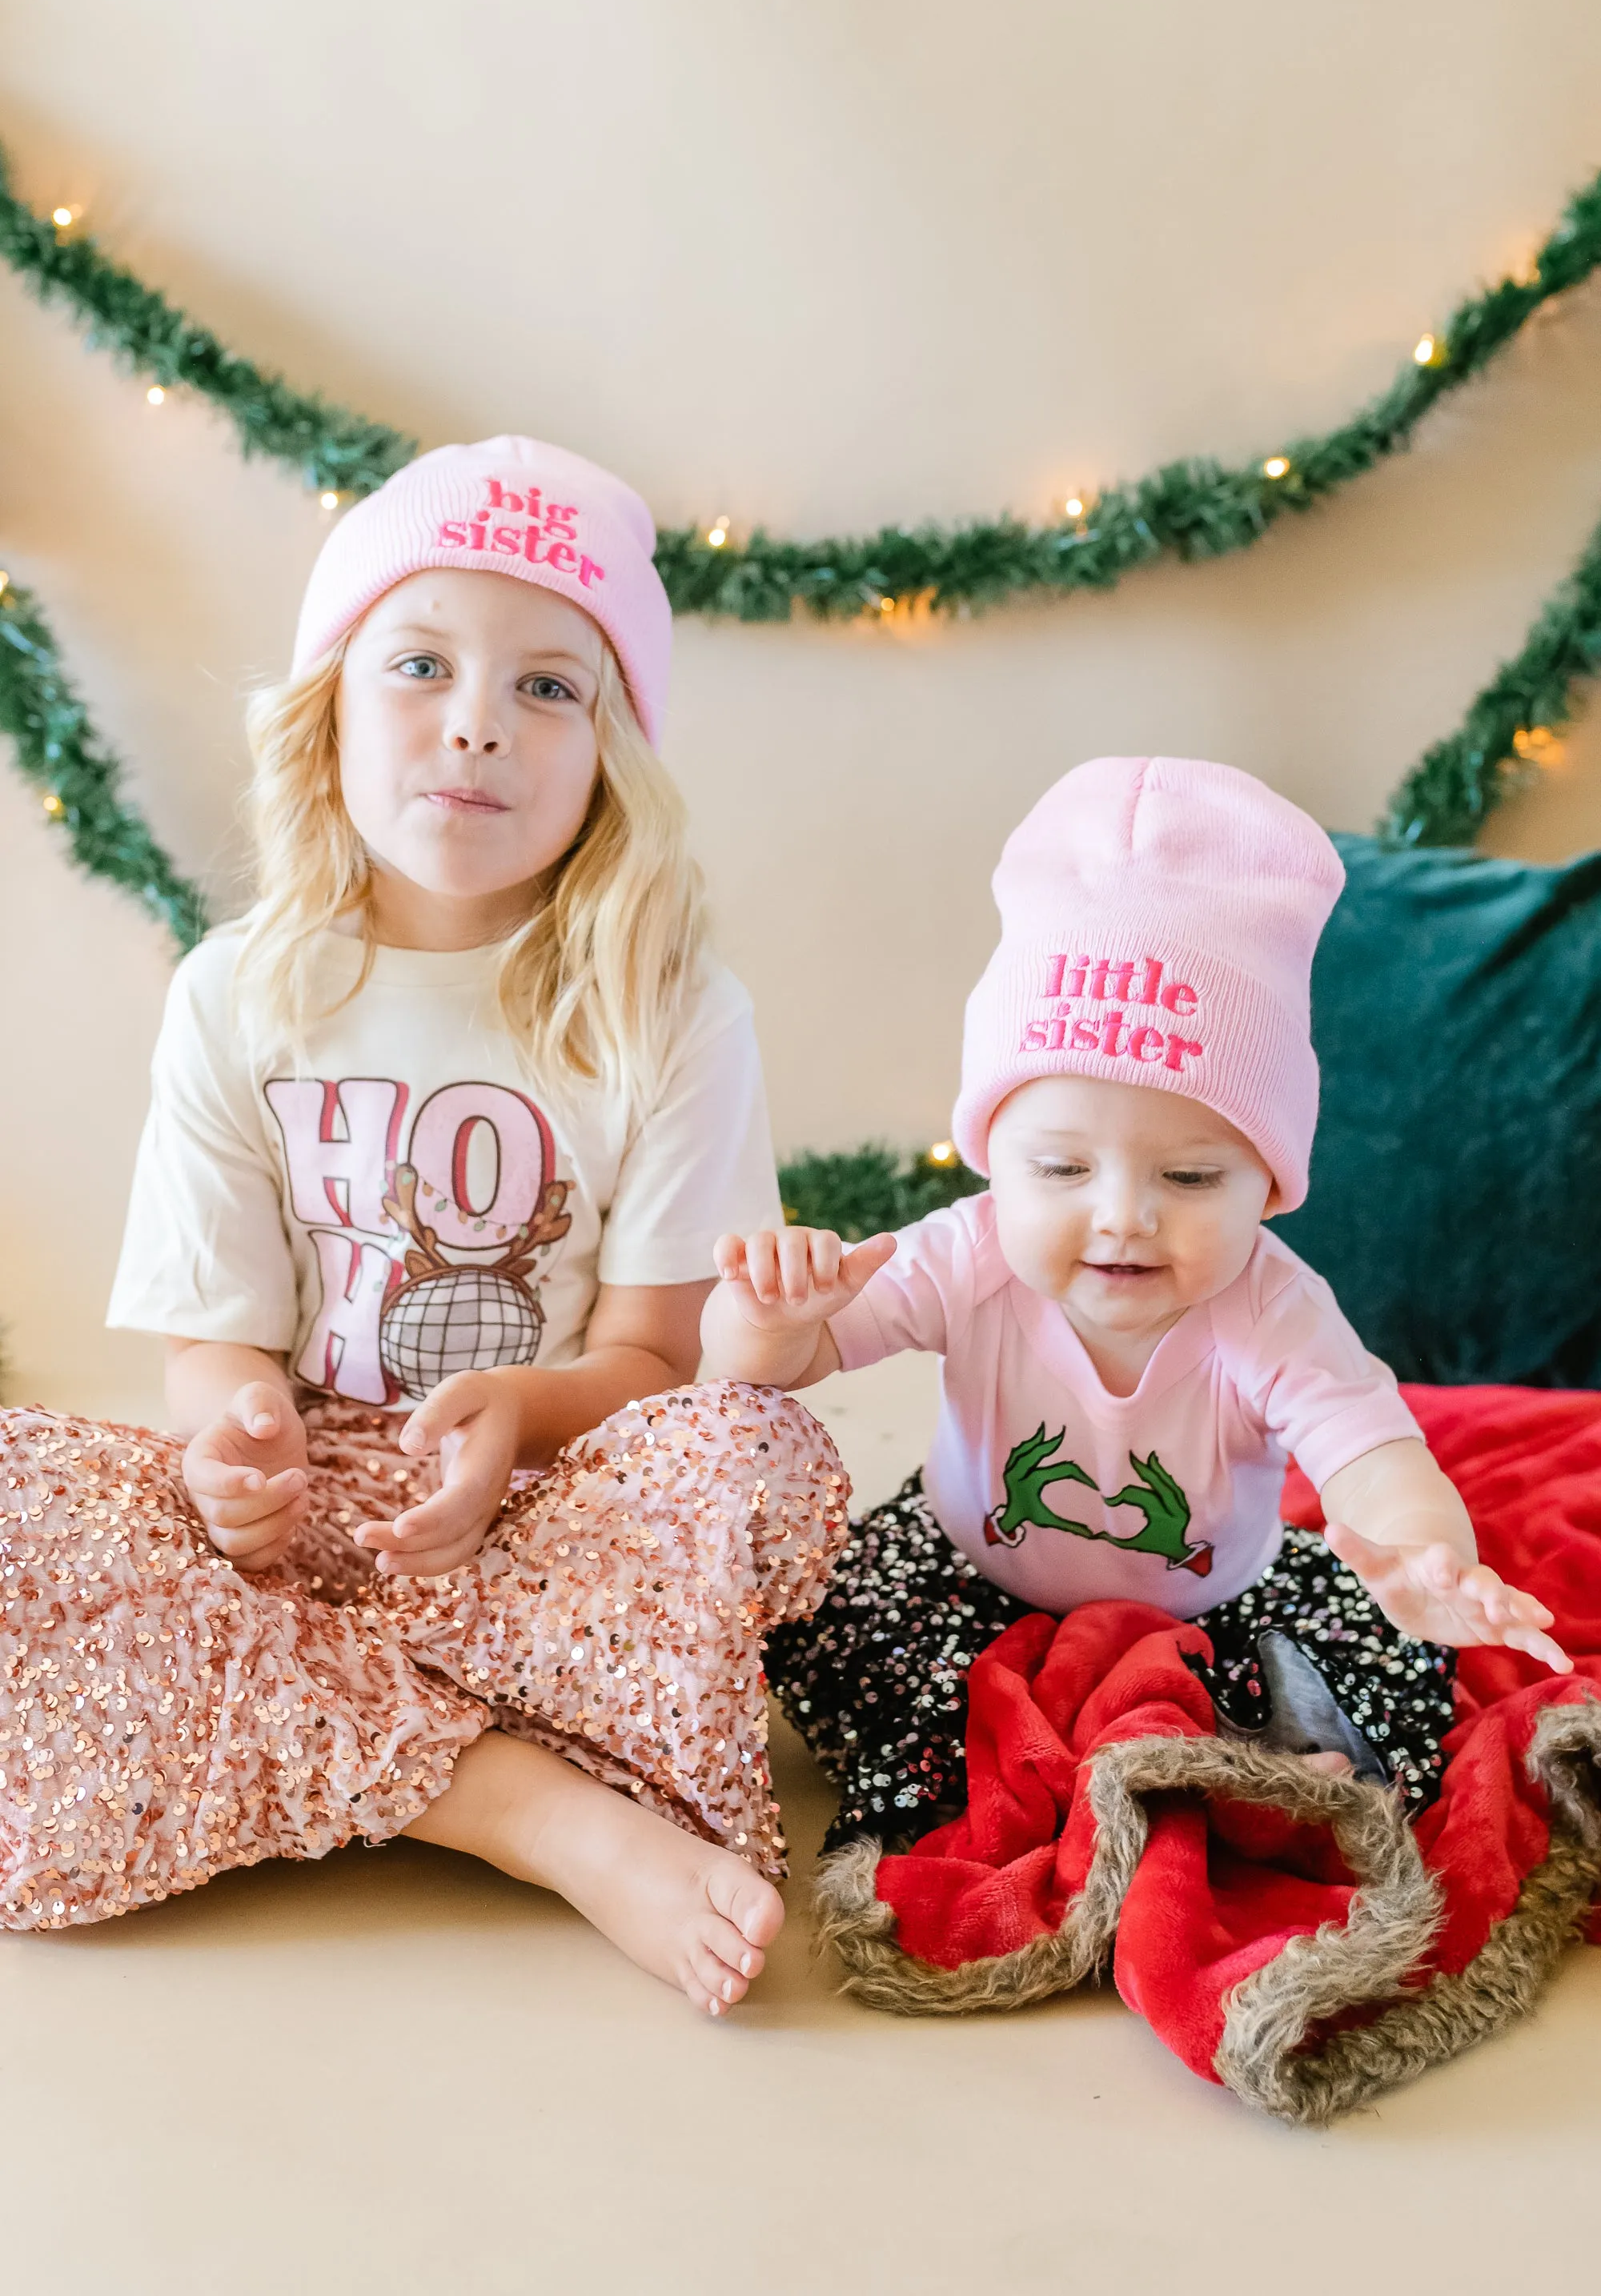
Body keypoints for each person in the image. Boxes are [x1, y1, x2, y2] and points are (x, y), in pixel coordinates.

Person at [0, 436, 849, 2011]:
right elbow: (218, 1344)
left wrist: (519, 1415)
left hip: (540, 1523)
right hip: (298, 1529)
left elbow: (656, 1358)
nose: (476, 718)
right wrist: (238, 1441)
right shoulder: (238, 993)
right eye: (420, 663)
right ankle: (525, 1809)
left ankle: (315, 1733)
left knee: (762, 1463)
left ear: (612, 757)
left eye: (548, 688)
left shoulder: (670, 1008)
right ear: (328, 712)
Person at [700, 755, 1567, 1854]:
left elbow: (1374, 1456)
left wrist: (1424, 1551)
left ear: (1269, 1182)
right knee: (836, 1637)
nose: (1122, 1218)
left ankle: (1230, 1777)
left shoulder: (1271, 1307)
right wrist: (772, 1313)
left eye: (1191, 1179)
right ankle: (1015, 1775)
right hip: (974, 1564)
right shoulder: (972, 1254)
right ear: (994, 1160)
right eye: (1062, 1171)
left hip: (1216, 1599)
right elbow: (770, 1365)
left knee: (1392, 1685)